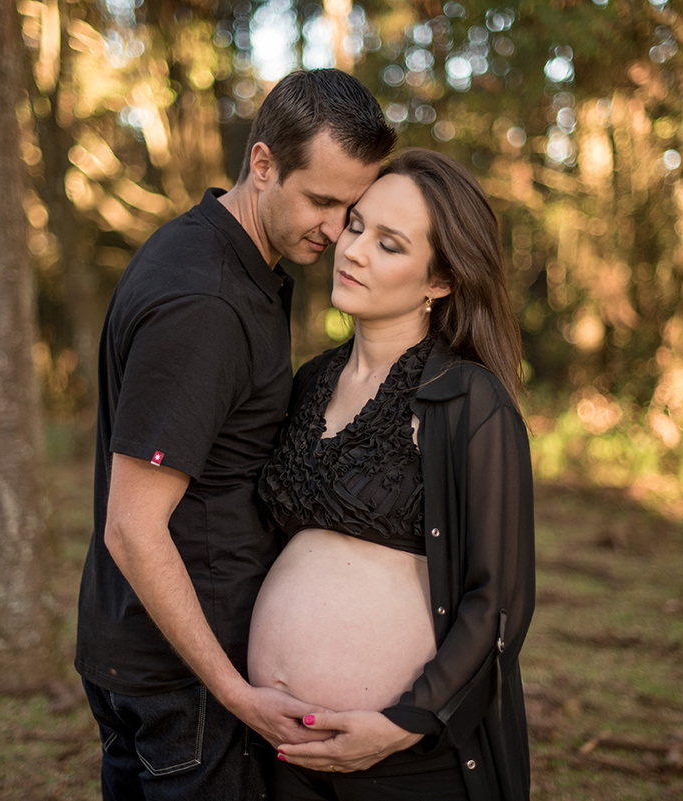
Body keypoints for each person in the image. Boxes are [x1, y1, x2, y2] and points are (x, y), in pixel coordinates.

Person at [75, 69, 396, 801]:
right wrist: (233, 690)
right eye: (321, 199)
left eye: (351, 206)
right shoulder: (206, 303)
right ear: (262, 164)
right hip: (186, 685)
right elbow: (132, 526)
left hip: (152, 664)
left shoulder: (220, 258)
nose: (336, 228)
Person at [250, 148, 536, 801]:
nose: (352, 251)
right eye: (355, 226)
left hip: (404, 765)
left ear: (439, 281)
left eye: (389, 244)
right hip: (281, 753)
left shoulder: (469, 403)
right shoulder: (309, 382)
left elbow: (497, 603)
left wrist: (403, 723)